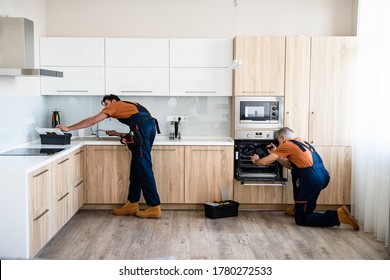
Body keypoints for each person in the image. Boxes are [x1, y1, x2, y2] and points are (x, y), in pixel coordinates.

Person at [56, 94, 162, 219]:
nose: (106, 107)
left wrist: (69, 128)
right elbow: (138, 130)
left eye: (106, 104)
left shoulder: (116, 105)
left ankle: (154, 206)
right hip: (149, 128)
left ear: (113, 101)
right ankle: (132, 203)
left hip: (143, 129)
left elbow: (93, 120)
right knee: (137, 167)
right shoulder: (131, 105)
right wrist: (117, 133)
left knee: (143, 167)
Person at [250, 127, 359, 230]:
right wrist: (276, 154)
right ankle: (299, 209)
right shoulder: (303, 143)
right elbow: (291, 165)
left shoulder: (287, 144)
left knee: (302, 219)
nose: (279, 144)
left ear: (283, 138)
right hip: (322, 175)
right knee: (295, 172)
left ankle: (337, 215)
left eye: (279, 141)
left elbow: (265, 161)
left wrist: (256, 161)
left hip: (311, 178)